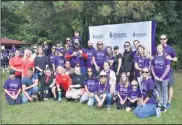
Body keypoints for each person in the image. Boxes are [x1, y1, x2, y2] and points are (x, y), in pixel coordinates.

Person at [160, 34, 178, 110]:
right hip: (159, 71)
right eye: (161, 39)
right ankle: (161, 102)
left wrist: (171, 58)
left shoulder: (170, 49)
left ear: (166, 39)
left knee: (170, 86)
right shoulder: (157, 48)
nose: (162, 40)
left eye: (164, 39)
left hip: (168, 71)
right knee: (160, 87)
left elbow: (176, 59)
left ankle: (169, 102)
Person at [151, 44, 171, 112]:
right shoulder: (154, 57)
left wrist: (162, 77)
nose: (159, 49)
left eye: (160, 48)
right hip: (156, 78)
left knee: (164, 91)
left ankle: (164, 105)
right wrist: (155, 76)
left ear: (163, 49)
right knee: (159, 91)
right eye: (158, 48)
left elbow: (168, 68)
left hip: (164, 78)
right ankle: (160, 103)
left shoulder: (166, 57)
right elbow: (152, 67)